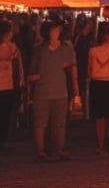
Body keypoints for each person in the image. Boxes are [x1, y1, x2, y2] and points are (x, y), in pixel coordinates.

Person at [28, 21, 78, 161]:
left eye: (58, 30)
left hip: (60, 90)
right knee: (40, 123)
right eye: (54, 29)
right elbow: (32, 70)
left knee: (59, 123)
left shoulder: (65, 48)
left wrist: (75, 90)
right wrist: (33, 78)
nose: (57, 32)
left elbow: (72, 67)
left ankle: (59, 148)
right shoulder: (39, 49)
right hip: (42, 91)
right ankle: (40, 150)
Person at [0, 21, 26, 153]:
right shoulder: (12, 48)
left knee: (5, 115)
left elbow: (18, 64)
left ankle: (3, 141)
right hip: (7, 85)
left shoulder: (13, 47)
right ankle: (3, 141)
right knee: (4, 115)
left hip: (9, 85)